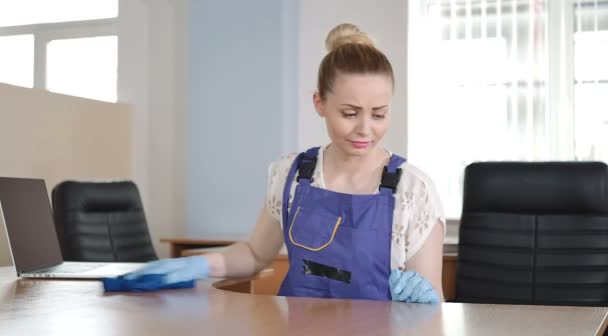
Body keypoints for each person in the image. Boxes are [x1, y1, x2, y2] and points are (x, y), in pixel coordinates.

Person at [123, 23, 446, 303]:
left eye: (379, 114)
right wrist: (197, 265)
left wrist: (425, 304)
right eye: (349, 113)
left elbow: (432, 302)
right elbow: (254, 255)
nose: (365, 128)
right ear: (319, 103)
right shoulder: (292, 174)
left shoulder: (412, 191)